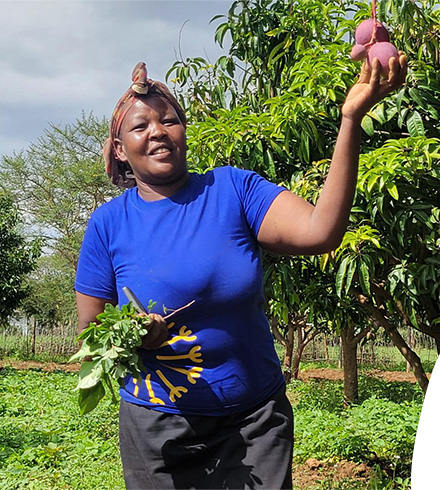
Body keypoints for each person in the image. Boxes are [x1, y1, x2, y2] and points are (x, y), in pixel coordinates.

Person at [74, 53, 406, 490]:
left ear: (184, 131)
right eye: (140, 126)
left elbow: (321, 231)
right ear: (119, 149)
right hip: (159, 431)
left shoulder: (232, 190)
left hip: (252, 424)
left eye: (169, 120)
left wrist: (350, 120)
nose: (158, 131)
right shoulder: (108, 224)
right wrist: (135, 335)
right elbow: (91, 330)